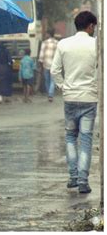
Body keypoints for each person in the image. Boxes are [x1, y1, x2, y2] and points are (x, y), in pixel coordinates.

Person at [50, 11, 98, 194]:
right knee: (85, 139)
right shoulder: (96, 45)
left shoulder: (63, 44)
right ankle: (83, 181)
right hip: (89, 98)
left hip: (70, 98)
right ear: (91, 26)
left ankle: (73, 177)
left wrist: (63, 87)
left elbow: (54, 70)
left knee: (71, 137)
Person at [39, 28, 58, 102]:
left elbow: (41, 55)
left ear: (49, 34)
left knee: (47, 80)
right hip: (54, 65)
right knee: (52, 81)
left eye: (46, 34)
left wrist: (40, 64)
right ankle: (50, 94)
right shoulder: (57, 43)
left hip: (46, 64)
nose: (45, 35)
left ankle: (49, 94)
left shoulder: (44, 43)